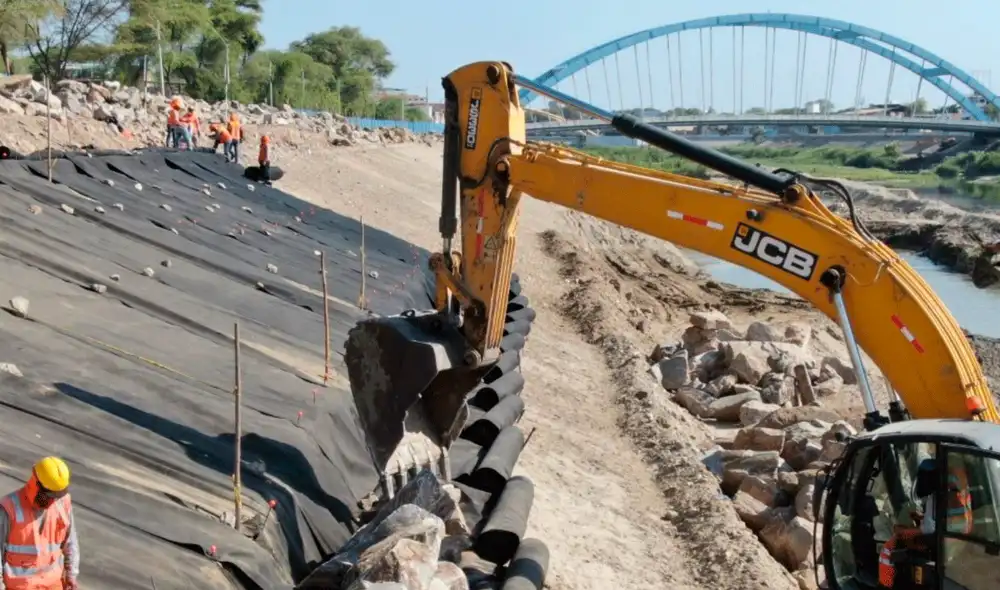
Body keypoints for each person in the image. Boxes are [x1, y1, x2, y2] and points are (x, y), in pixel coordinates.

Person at [878, 457, 972, 588]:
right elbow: (940, 521)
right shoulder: (956, 494)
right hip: (954, 542)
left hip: (941, 548)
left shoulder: (936, 499)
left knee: (889, 548)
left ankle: (886, 584)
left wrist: (902, 532)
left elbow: (928, 530)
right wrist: (919, 518)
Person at [0, 457, 79, 590]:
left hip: (53, 586)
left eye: (56, 496)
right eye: (49, 496)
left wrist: (71, 576)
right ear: (35, 484)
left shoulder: (62, 502)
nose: (52, 501)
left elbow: (70, 543)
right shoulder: (9, 509)